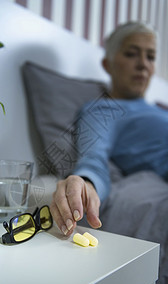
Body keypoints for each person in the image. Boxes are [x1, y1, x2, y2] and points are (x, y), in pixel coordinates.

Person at [50, 21, 168, 236]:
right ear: (108, 64)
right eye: (132, 54)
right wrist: (85, 183)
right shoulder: (104, 110)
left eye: (150, 57)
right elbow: (94, 159)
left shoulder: (159, 110)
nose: (143, 64)